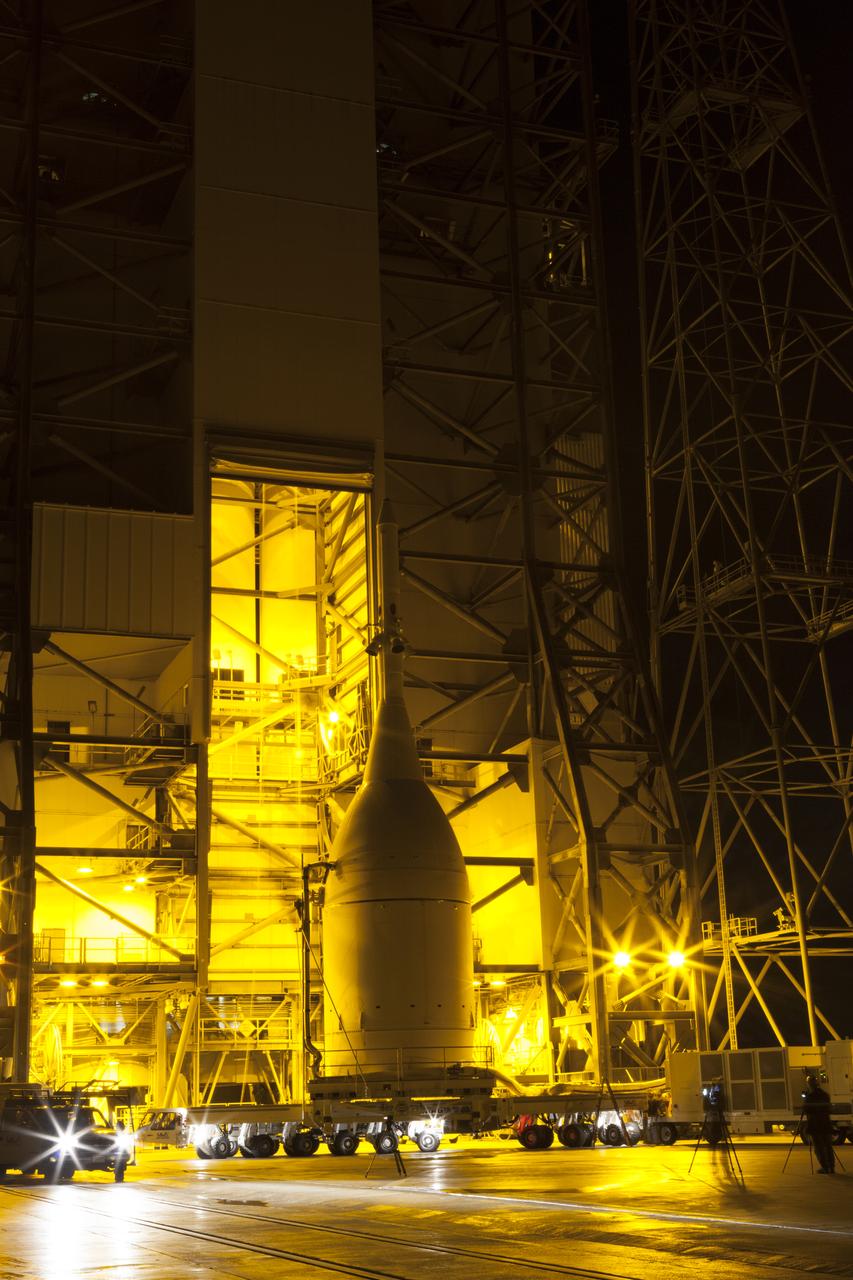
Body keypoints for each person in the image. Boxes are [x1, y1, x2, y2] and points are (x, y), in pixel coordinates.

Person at [802, 1075, 835, 1174]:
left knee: (819, 1147)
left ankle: (825, 1167)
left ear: (809, 1084)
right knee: (828, 1146)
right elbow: (828, 1109)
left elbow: (806, 1110)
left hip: (815, 1125)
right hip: (826, 1124)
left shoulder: (810, 1097)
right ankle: (831, 1166)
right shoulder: (825, 1095)